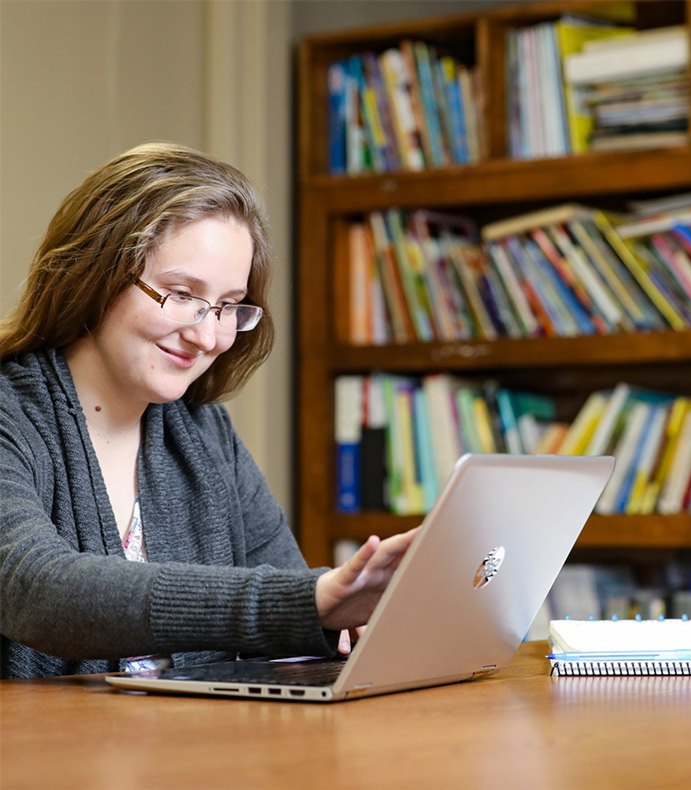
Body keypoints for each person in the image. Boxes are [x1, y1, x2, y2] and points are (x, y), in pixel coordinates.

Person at [0, 142, 417, 679]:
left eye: (226, 306)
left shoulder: (204, 433)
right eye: (180, 294)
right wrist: (304, 601)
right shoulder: (13, 412)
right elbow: (32, 588)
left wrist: (346, 616)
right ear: (96, 275)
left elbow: (289, 595)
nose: (207, 335)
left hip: (192, 752)